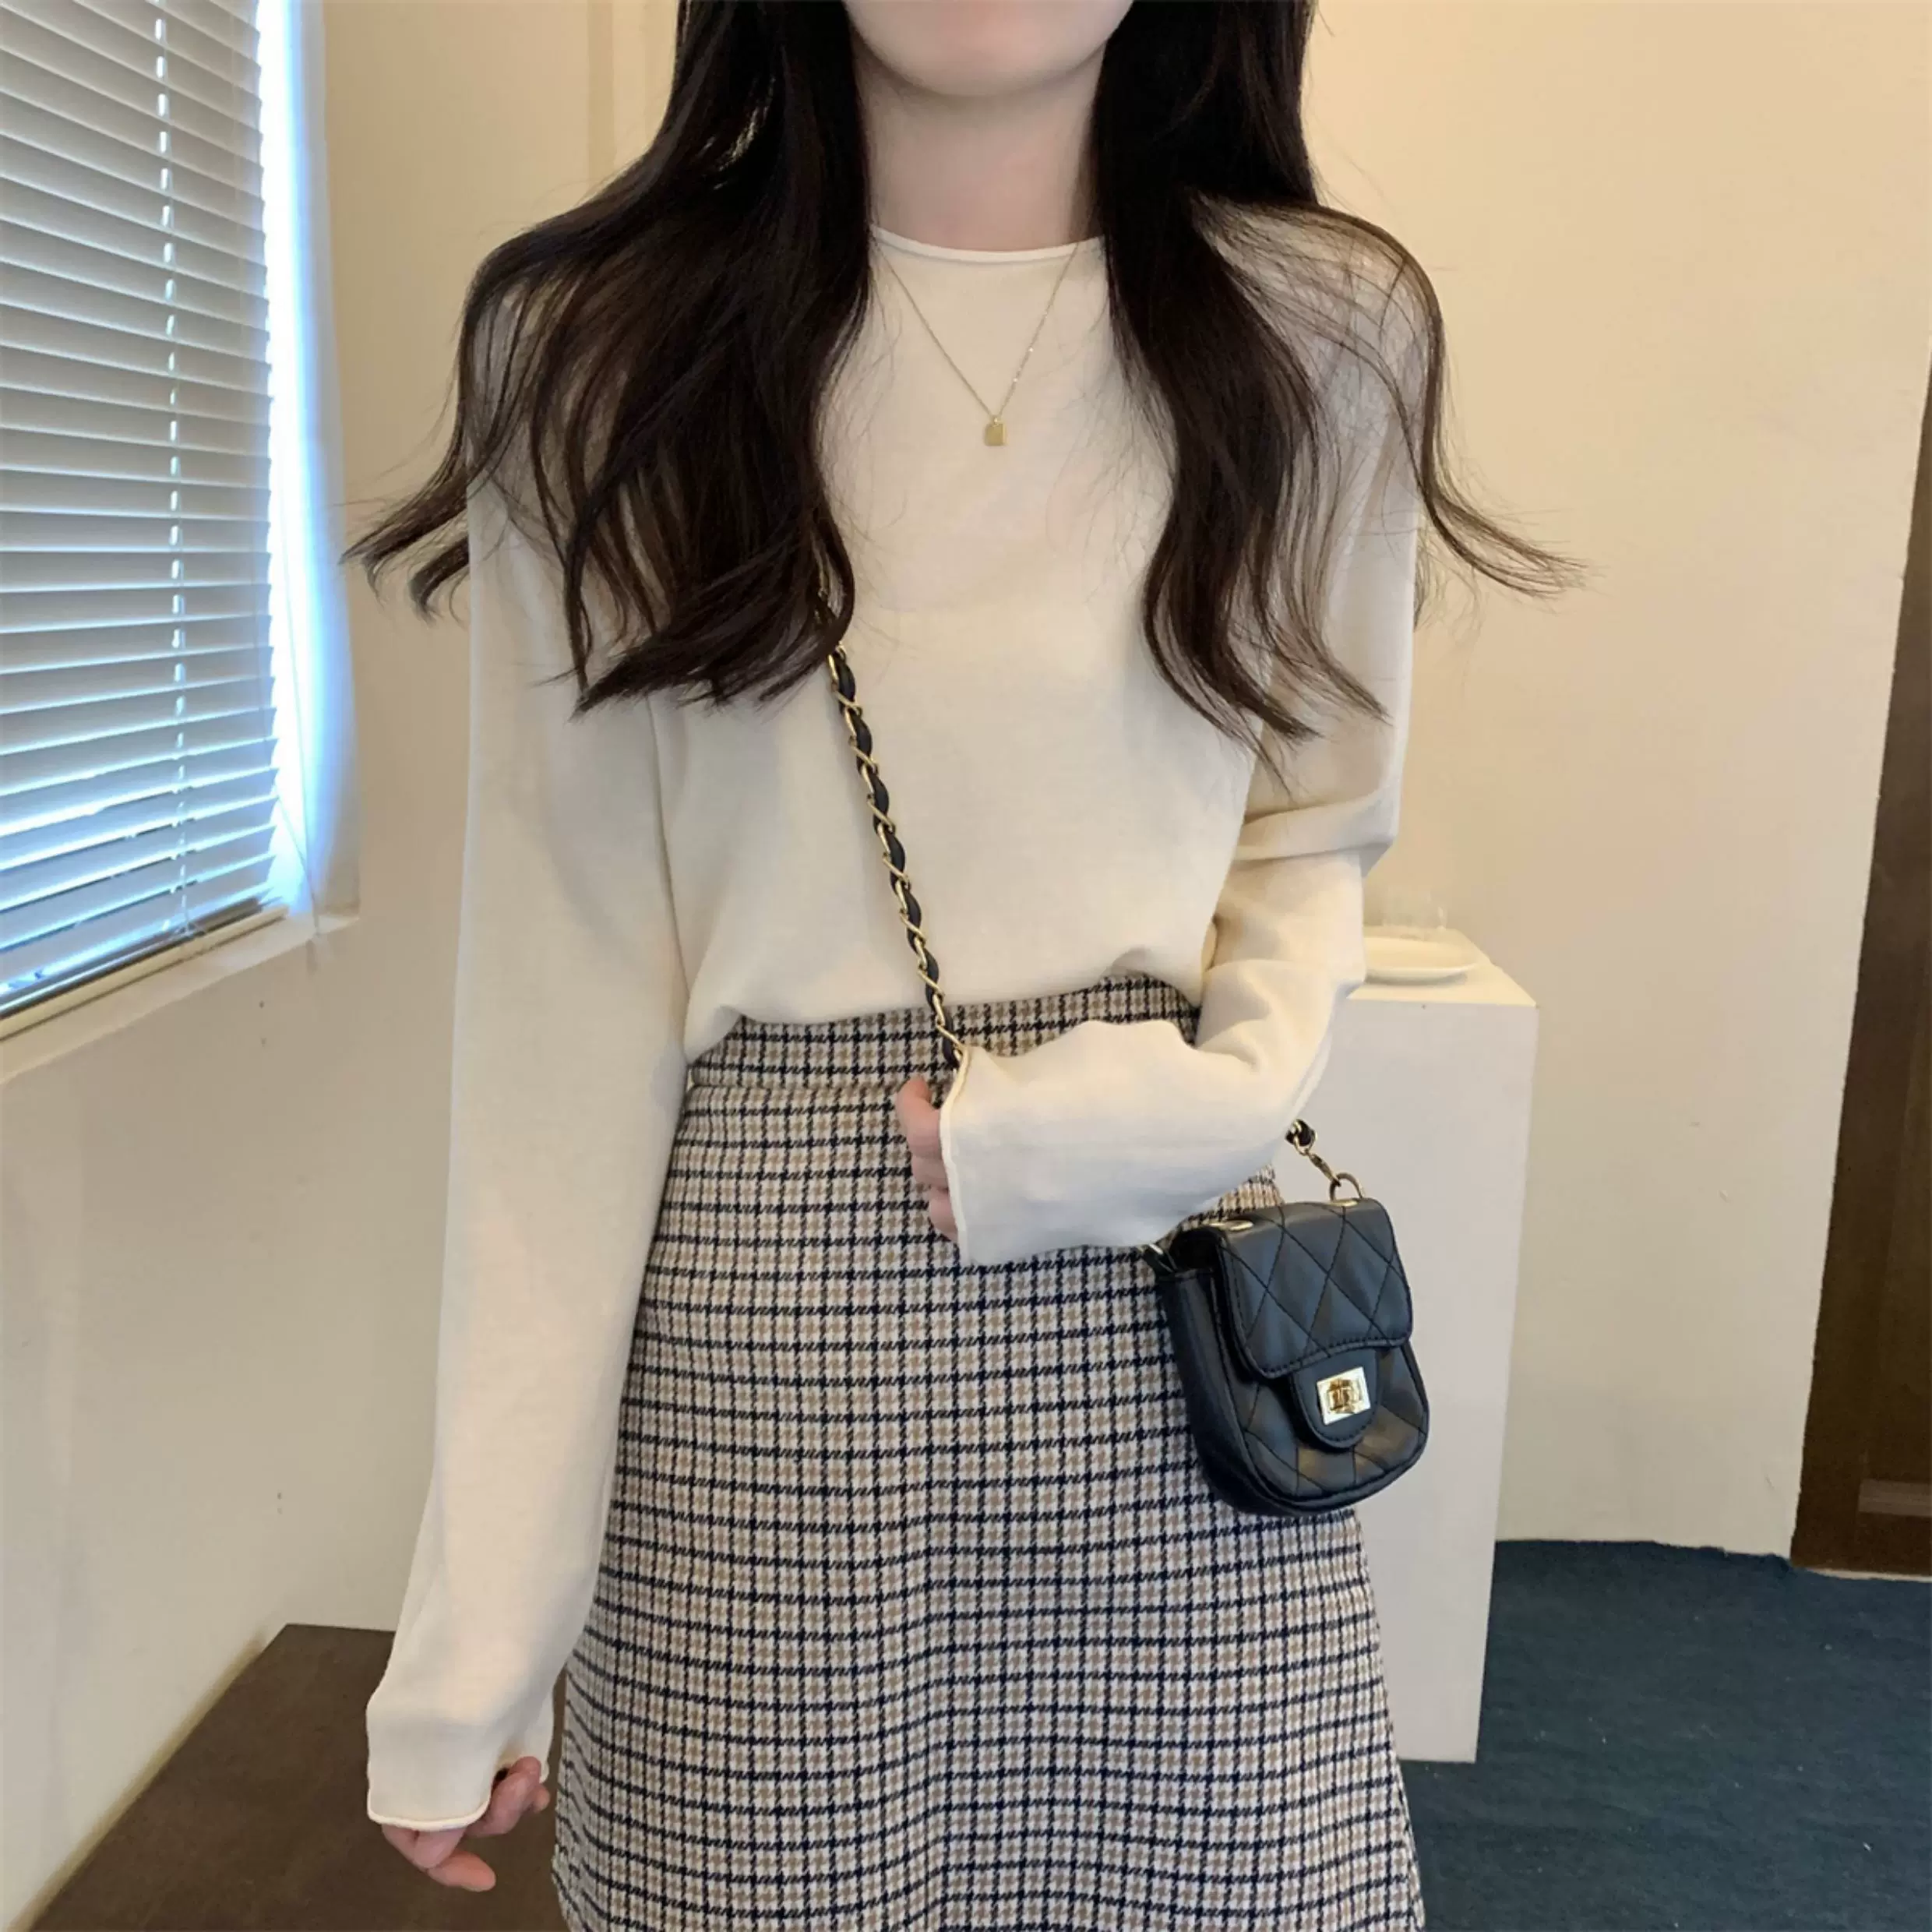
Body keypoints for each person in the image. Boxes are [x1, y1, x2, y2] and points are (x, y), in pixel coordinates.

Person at [345, 3, 1572, 1926]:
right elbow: (559, 1006)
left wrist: (1201, 1097)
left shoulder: (1321, 329)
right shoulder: (596, 346)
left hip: (1165, 1291)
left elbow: (1313, 826)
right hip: (760, 1339)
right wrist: (480, 1631)